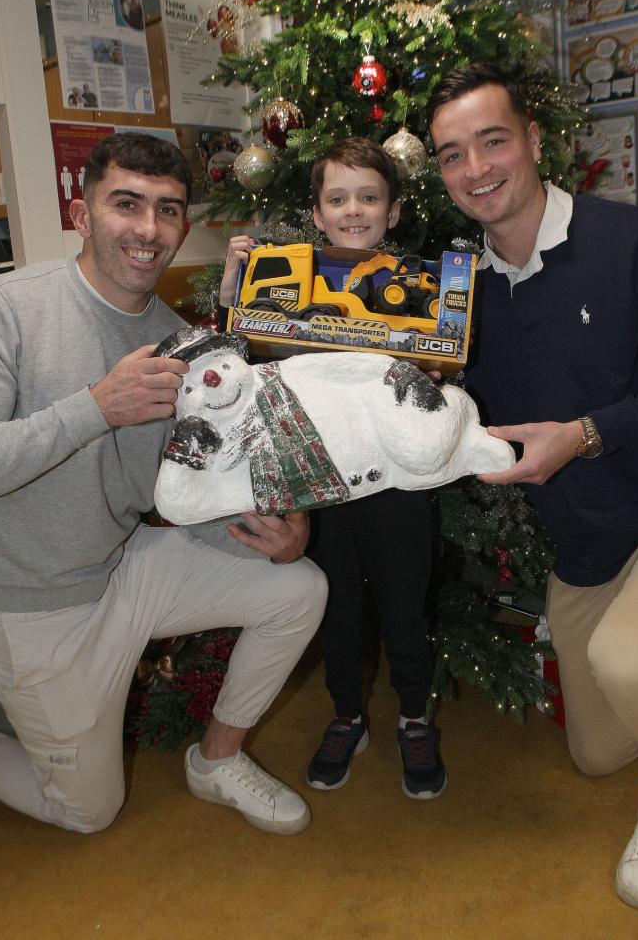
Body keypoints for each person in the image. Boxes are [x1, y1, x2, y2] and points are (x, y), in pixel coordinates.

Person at [426, 62, 638, 909]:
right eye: (453, 154)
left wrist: (588, 433)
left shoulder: (633, 240)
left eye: (493, 140)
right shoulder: (457, 292)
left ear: (534, 140)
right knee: (598, 751)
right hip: (593, 537)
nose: (477, 167)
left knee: (633, 661)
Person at [0, 132, 327, 836]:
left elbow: (171, 489)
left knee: (299, 585)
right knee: (88, 811)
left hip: (121, 569)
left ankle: (216, 759)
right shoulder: (5, 309)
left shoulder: (180, 339)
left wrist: (272, 536)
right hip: (31, 604)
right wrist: (94, 407)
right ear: (81, 211)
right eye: (127, 204)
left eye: (169, 210)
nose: (149, 230)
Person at [220, 138, 447, 800]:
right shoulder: (287, 278)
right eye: (338, 198)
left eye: (369, 197)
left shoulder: (418, 283)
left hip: (395, 475)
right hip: (318, 479)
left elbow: (442, 361)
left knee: (406, 607)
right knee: (338, 606)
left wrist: (435, 369)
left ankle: (413, 716)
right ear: (316, 213)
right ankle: (347, 712)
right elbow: (242, 355)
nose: (354, 209)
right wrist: (237, 289)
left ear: (394, 210)